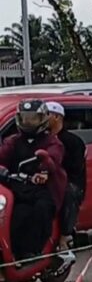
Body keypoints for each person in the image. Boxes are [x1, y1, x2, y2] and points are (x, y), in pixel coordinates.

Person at [0, 101, 66, 259]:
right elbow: (2, 155)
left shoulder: (51, 141)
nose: (28, 122)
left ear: (42, 119)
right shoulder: (14, 141)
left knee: (40, 210)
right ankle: (11, 252)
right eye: (25, 118)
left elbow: (53, 158)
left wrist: (45, 169)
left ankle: (32, 252)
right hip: (18, 188)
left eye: (33, 119)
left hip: (44, 190)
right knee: (13, 214)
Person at [47, 102, 85, 270]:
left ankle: (65, 238)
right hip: (46, 183)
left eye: (47, 114)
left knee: (67, 193)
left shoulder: (73, 142)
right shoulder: (42, 140)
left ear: (57, 117)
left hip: (70, 184)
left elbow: (74, 168)